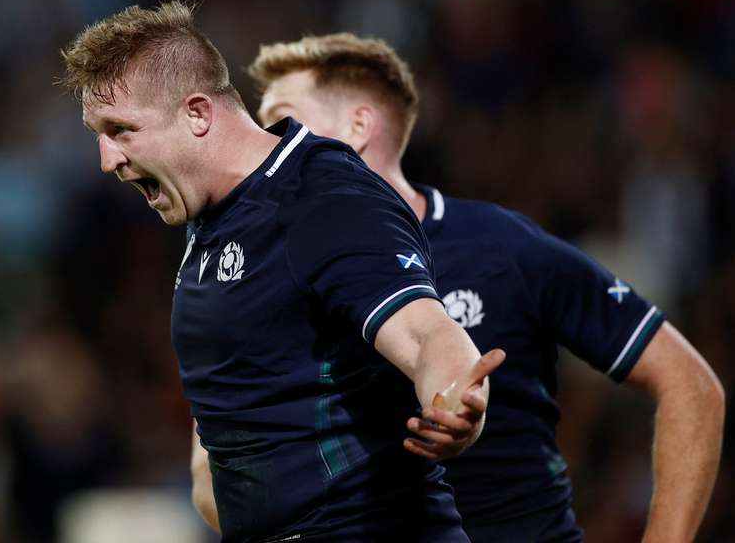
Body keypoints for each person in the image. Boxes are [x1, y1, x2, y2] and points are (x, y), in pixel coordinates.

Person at [190, 33, 725, 542]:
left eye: (280, 121)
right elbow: (209, 481)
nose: (264, 144)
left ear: (357, 126)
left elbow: (690, 383)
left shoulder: (502, 249)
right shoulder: (257, 274)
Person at [60, 2, 505, 542]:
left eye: (121, 130)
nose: (107, 159)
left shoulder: (321, 198)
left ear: (197, 114)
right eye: (97, 135)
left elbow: (425, 332)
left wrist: (455, 404)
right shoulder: (212, 215)